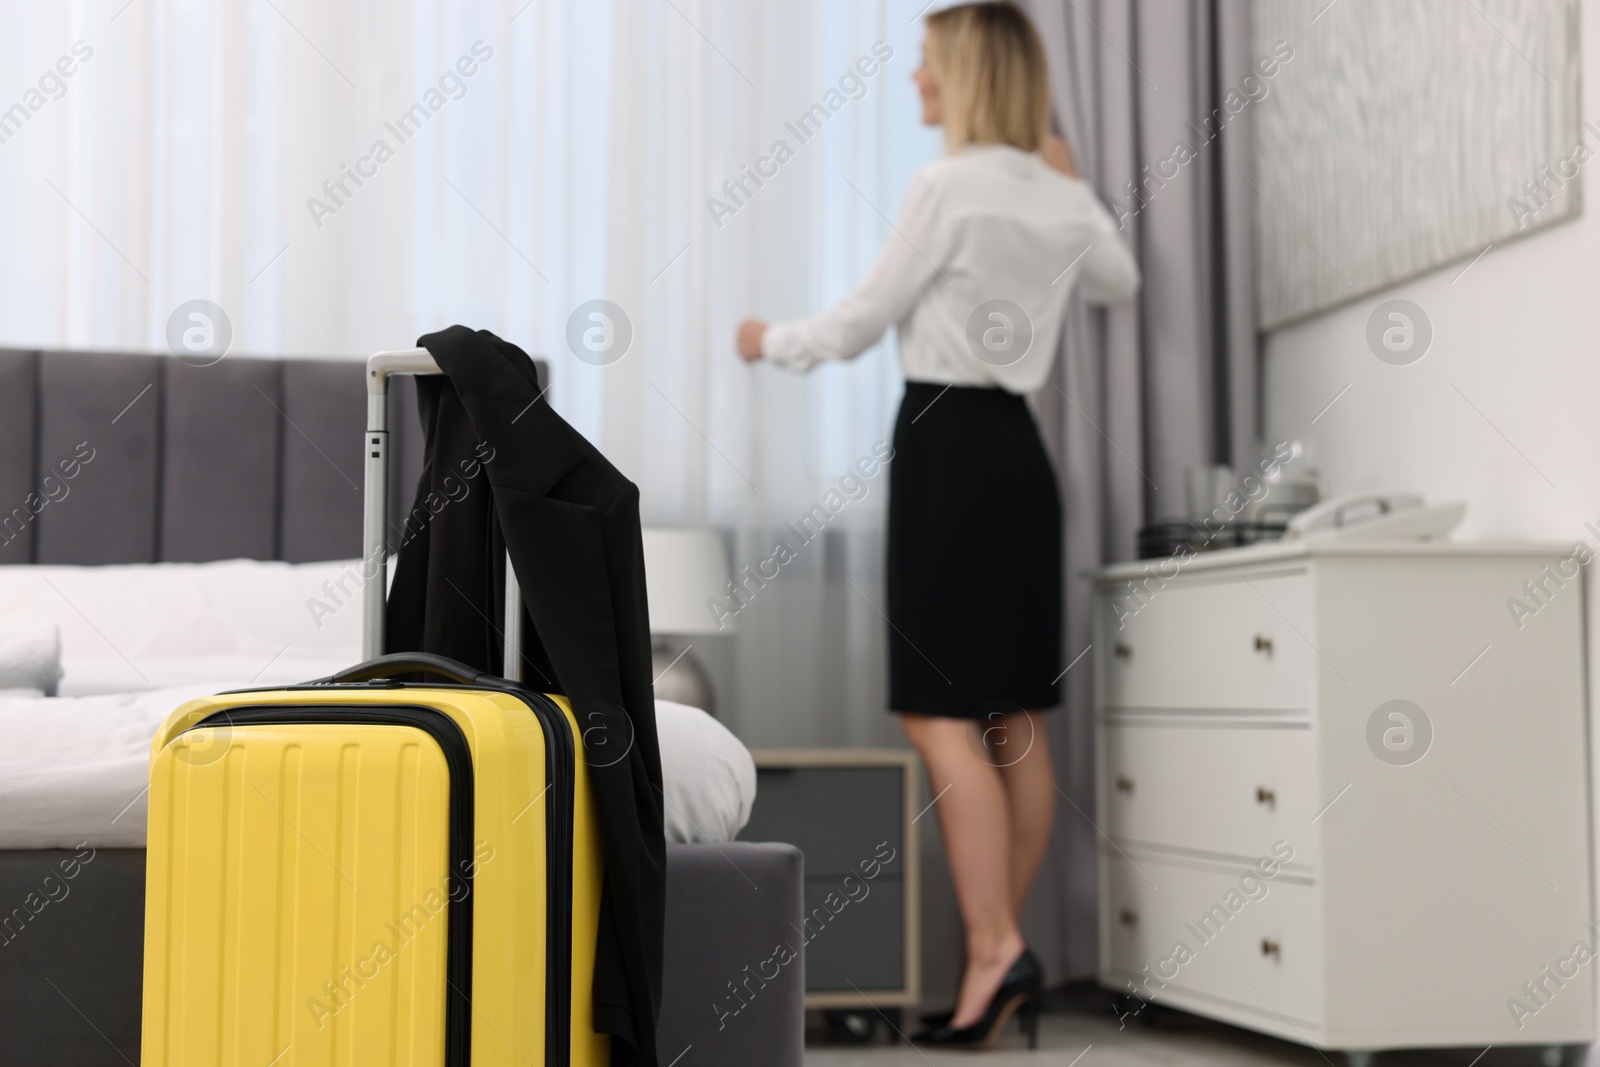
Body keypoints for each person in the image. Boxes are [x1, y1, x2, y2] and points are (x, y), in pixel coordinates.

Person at [735, 1, 1140, 1051]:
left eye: (926, 64)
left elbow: (860, 321)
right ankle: (992, 957)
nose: (916, 80)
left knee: (936, 712)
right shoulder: (1058, 193)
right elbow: (1118, 281)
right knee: (1012, 715)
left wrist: (765, 338)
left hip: (948, 448)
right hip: (1020, 456)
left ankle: (996, 947)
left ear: (965, 75)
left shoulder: (944, 187)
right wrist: (1072, 177)